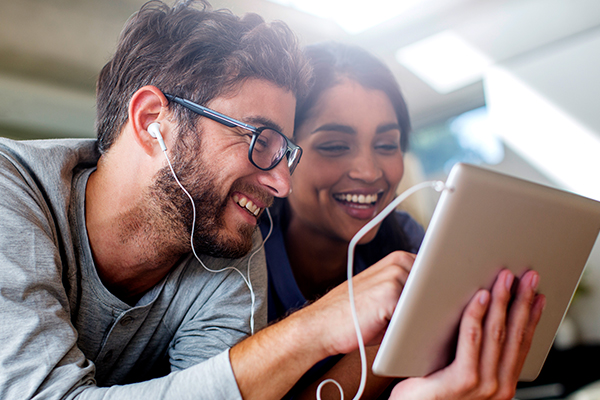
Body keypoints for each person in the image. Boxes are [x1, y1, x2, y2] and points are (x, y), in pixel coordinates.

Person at [0, 2, 544, 400]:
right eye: (259, 140)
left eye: (286, 151)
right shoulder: (12, 192)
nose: (281, 183)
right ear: (152, 122)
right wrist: (310, 330)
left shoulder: (229, 252)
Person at [259, 41, 546, 400]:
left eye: (386, 144)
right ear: (283, 153)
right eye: (334, 146)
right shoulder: (244, 254)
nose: (369, 171)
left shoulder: (408, 241)